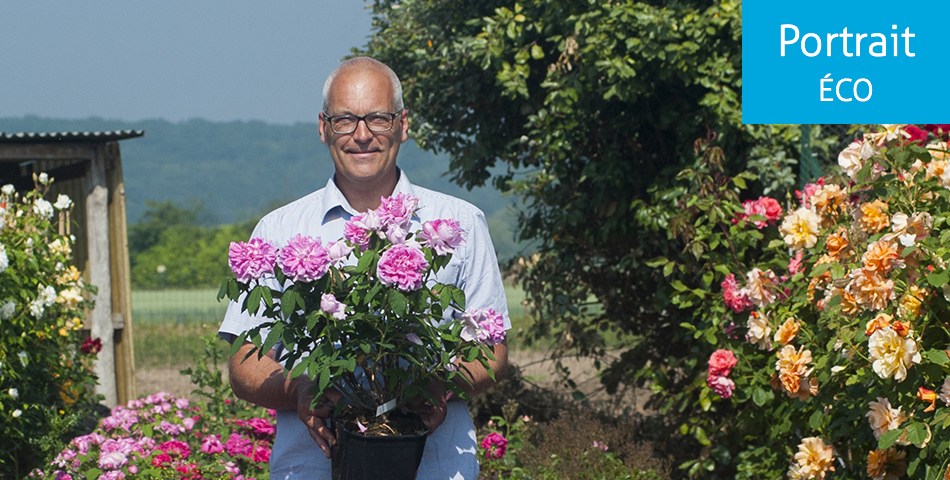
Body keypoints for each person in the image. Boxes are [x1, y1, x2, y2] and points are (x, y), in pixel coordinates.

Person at [218, 56, 511, 480]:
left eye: (378, 118)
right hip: (311, 467)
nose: (362, 135)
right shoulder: (279, 230)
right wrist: (302, 387)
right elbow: (245, 366)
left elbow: (494, 355)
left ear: (403, 125)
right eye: (344, 120)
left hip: (435, 467)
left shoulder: (459, 224)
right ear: (323, 128)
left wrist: (435, 385)